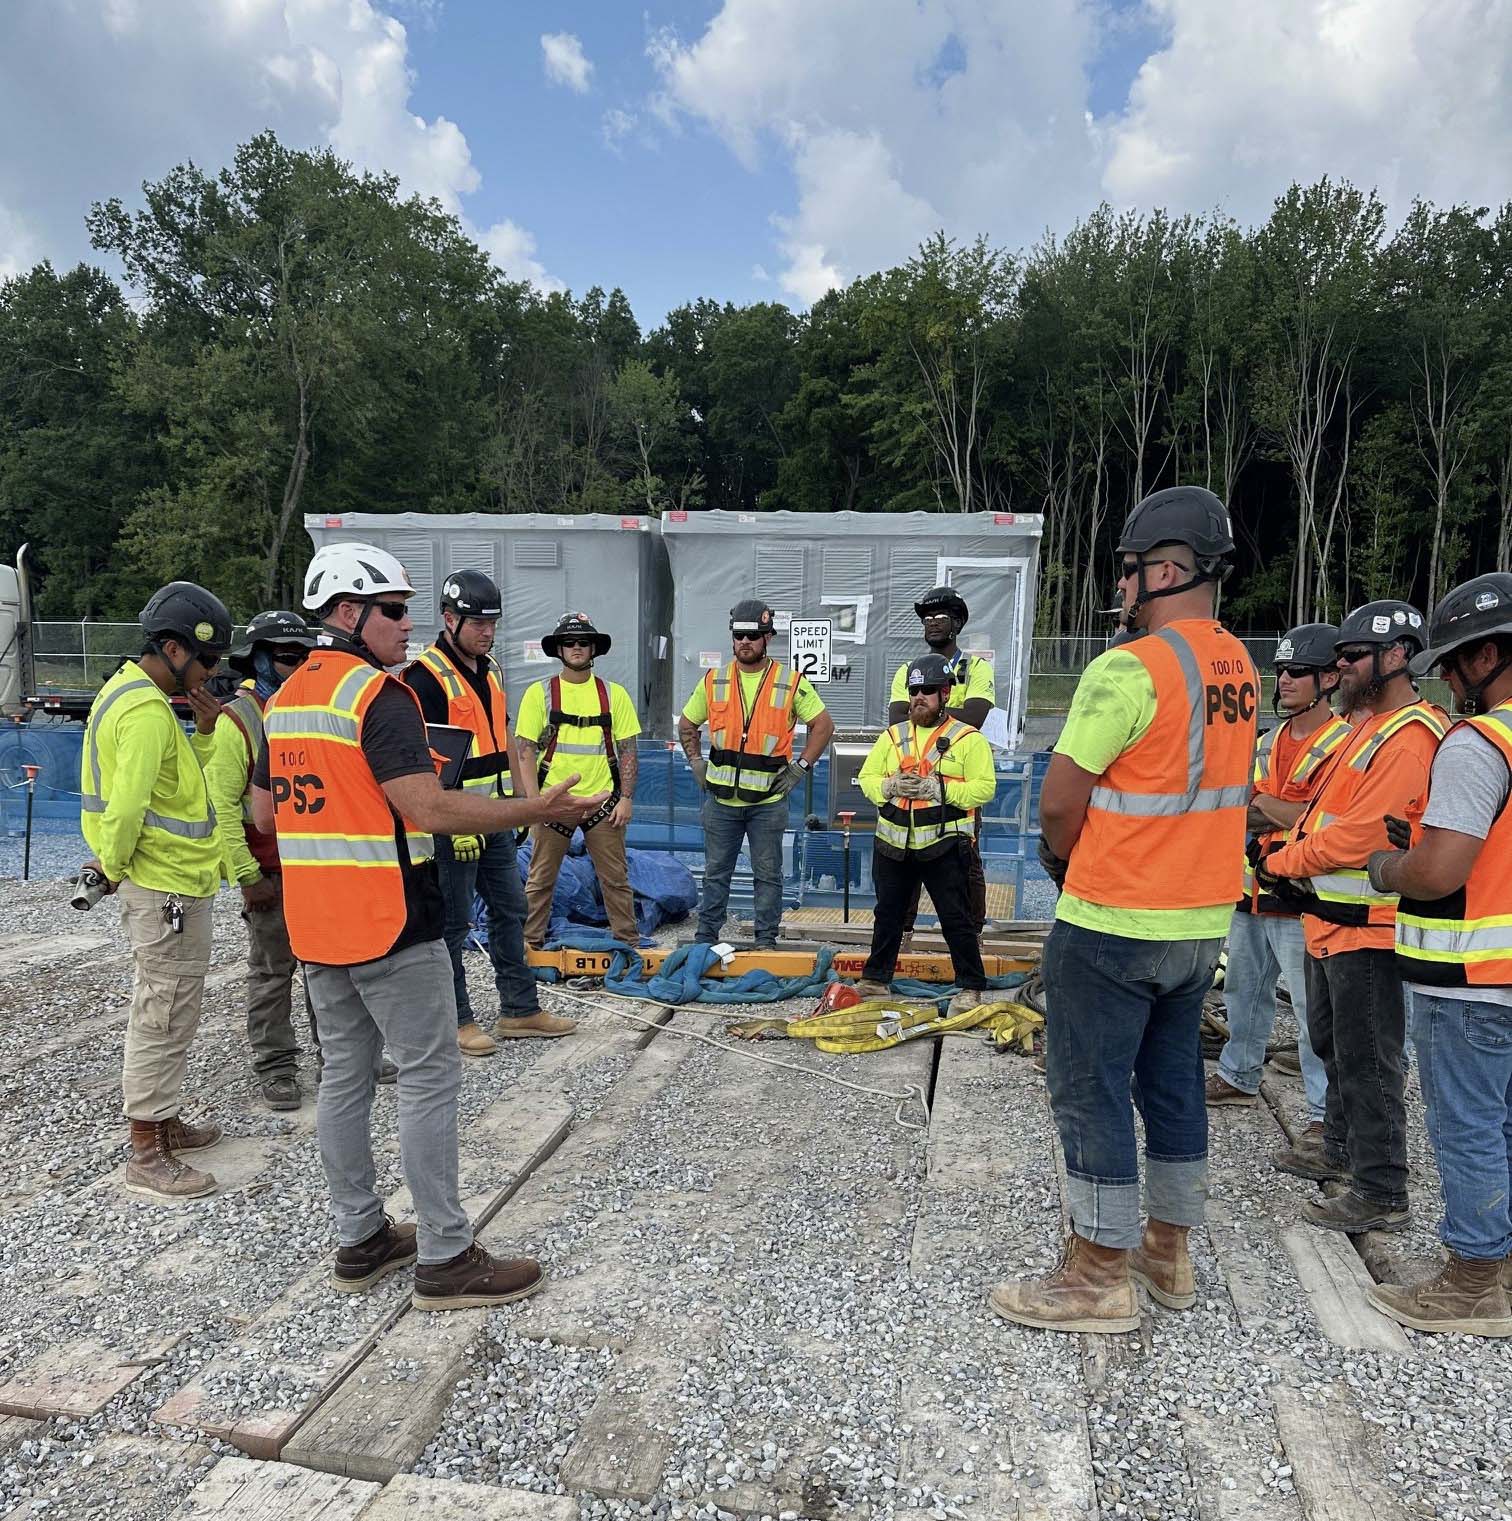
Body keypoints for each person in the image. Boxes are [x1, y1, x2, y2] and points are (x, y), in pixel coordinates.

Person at [253, 541, 605, 1308]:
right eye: (393, 609)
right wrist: (538, 808)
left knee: (345, 1077)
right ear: (349, 613)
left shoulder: (283, 703)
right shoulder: (375, 696)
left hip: (316, 923)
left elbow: (262, 813)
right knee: (428, 1075)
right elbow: (430, 808)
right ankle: (445, 1255)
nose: (407, 623)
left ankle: (361, 1235)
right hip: (388, 916)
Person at [992, 486, 1257, 1334]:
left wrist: (1063, 860)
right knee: (1172, 1083)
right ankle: (1166, 1249)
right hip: (1197, 926)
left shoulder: (1130, 667)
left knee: (1089, 1089)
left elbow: (1061, 802)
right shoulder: (1240, 669)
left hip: (1114, 920)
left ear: (1168, 567)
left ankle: (1097, 1271)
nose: (1126, 585)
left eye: (1134, 569)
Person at [1257, 601, 1447, 1233]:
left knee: (1369, 1060)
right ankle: (1337, 1147)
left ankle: (1381, 1189)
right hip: (1332, 920)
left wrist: (1284, 861)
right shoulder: (1365, 728)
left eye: (1352, 656)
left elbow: (1359, 836)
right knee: (1334, 1046)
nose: (1340, 668)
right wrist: (1293, 855)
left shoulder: (1410, 734)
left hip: (1370, 928)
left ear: (1396, 657)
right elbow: (1321, 814)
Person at [1362, 573, 1512, 1335]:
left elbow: (1440, 870)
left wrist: (1389, 868)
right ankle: (1503, 1267)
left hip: (1470, 981)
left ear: (1490, 654)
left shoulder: (1479, 742)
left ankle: (1472, 1281)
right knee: (1506, 1123)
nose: (1447, 679)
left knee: (1468, 1126)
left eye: (1454, 662)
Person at [81, 581, 234, 1202]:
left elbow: (179, 788)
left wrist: (201, 735)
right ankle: (146, 1149)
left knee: (173, 1008)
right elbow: (126, 809)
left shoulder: (130, 695)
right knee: (161, 1011)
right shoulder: (143, 712)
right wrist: (112, 867)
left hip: (178, 880)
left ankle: (164, 1119)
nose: (212, 673)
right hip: (163, 884)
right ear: (172, 648)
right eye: (207, 660)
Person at [404, 570, 568, 1055]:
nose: (487, 632)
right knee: (452, 925)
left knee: (510, 912)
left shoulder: (490, 670)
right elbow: (422, 765)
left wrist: (522, 809)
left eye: (492, 623)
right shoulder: (424, 678)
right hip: (454, 823)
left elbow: (506, 744)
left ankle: (520, 1010)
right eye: (478, 623)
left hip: (493, 818)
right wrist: (452, 824)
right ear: (449, 619)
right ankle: (457, 1020)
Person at [1206, 625, 1351, 1138]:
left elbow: (1324, 820)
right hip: (1253, 890)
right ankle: (1239, 1073)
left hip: (1304, 897)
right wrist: (1277, 812)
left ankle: (1320, 1114)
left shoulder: (1344, 744)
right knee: (1243, 992)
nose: (1284, 680)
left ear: (1329, 679)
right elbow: (1246, 808)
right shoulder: (1268, 740)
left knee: (1316, 1012)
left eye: (1297, 672)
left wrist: (1270, 810)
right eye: (1281, 671)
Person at [204, 609, 317, 1111]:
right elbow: (222, 806)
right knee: (274, 972)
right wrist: (247, 876)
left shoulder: (312, 713)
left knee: (331, 969)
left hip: (319, 866)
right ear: (259, 660)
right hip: (270, 872)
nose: (297, 665)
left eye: (303, 656)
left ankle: (341, 1056)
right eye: (287, 656)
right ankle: (276, 1067)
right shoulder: (240, 721)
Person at [677, 599, 834, 950]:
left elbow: (823, 726)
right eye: (739, 635)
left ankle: (766, 940)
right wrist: (695, 761)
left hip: (768, 800)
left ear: (767, 638)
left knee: (768, 875)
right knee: (716, 874)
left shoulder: (789, 682)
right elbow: (687, 723)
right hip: (721, 800)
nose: (745, 642)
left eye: (753, 635)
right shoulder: (715, 680)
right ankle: (706, 939)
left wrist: (800, 768)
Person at [854, 653, 994, 1012]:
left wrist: (938, 789)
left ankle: (970, 985)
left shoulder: (967, 739)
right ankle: (875, 979)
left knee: (955, 916)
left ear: (945, 693)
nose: (918, 697)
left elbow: (984, 789)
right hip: (893, 843)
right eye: (914, 690)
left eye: (928, 690)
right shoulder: (893, 736)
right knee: (888, 914)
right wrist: (887, 787)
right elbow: (867, 779)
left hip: (944, 844)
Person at [515, 612, 641, 950]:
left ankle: (627, 946)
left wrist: (626, 798)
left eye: (583, 642)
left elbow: (628, 750)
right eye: (568, 642)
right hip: (553, 807)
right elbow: (525, 751)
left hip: (604, 804)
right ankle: (529, 948)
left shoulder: (614, 695)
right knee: (540, 880)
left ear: (594, 649)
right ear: (558, 649)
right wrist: (534, 805)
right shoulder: (539, 694)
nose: (576, 647)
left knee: (615, 880)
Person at [888, 585, 995, 935]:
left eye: (941, 618)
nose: (933, 624)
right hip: (911, 786)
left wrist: (926, 710)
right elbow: (897, 721)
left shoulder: (977, 667)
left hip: (957, 787)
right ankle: (902, 935)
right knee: (905, 861)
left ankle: (971, 935)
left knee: (965, 863)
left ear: (958, 623)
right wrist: (947, 712)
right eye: (927, 619)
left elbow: (976, 717)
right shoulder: (907, 669)